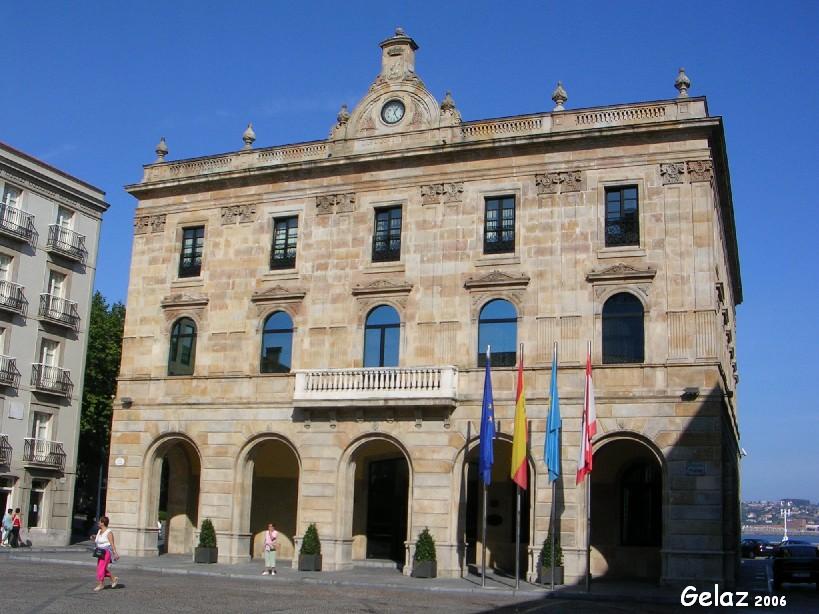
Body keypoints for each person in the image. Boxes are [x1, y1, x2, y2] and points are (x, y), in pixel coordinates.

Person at [92, 516, 119, 592]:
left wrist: (115, 553)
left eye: (100, 521)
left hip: (106, 552)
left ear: (103, 523)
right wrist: (94, 537)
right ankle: (113, 578)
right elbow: (98, 541)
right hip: (99, 552)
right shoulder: (99, 531)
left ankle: (101, 584)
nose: (98, 522)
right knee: (101, 568)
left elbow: (112, 544)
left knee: (101, 568)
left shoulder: (109, 532)